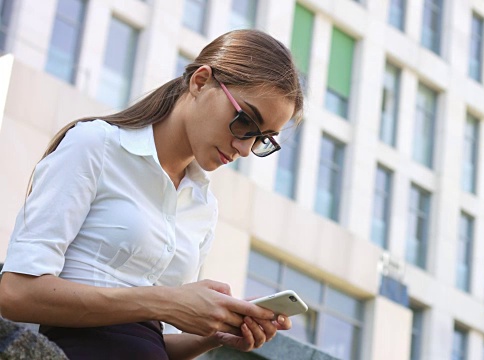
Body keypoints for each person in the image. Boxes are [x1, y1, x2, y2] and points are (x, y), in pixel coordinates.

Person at [0, 29, 303, 360]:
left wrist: (214, 336)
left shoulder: (203, 206)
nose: (244, 148)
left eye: (261, 139)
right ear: (201, 82)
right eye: (244, 120)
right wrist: (166, 301)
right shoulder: (95, 146)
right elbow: (15, 293)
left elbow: (157, 341)